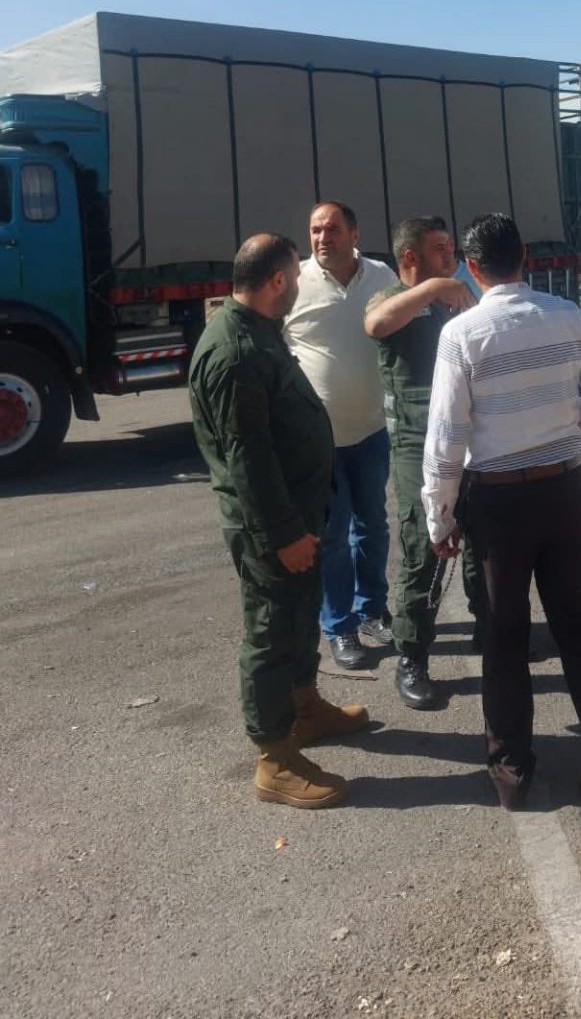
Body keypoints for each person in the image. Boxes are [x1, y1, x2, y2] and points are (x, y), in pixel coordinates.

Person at [422, 213, 581, 815]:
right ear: (525, 256)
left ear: (472, 267)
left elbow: (446, 436)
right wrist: (569, 415)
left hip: (499, 502)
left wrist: (440, 517)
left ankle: (512, 773)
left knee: (504, 637)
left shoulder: (462, 334)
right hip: (564, 490)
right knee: (580, 633)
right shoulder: (567, 317)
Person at [189, 234, 369, 810]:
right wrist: (286, 534)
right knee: (270, 635)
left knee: (297, 618)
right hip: (272, 527)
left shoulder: (260, 331)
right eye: (296, 274)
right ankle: (274, 759)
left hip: (298, 515)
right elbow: (249, 460)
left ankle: (304, 709)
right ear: (277, 281)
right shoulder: (236, 352)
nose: (300, 283)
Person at [363, 216, 481, 710]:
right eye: (439, 248)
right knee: (424, 547)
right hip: (418, 444)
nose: (450, 254)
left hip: (471, 436)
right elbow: (376, 324)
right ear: (410, 256)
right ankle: (412, 657)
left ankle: (491, 629)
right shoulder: (392, 297)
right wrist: (434, 289)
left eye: (451, 246)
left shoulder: (459, 297)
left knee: (483, 541)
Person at [282, 201, 397, 672]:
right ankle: (339, 625)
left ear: (354, 233)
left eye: (331, 229)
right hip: (318, 440)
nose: (321, 238)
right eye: (315, 230)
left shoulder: (381, 276)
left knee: (373, 525)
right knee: (330, 537)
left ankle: (373, 610)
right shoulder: (295, 281)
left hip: (371, 429)